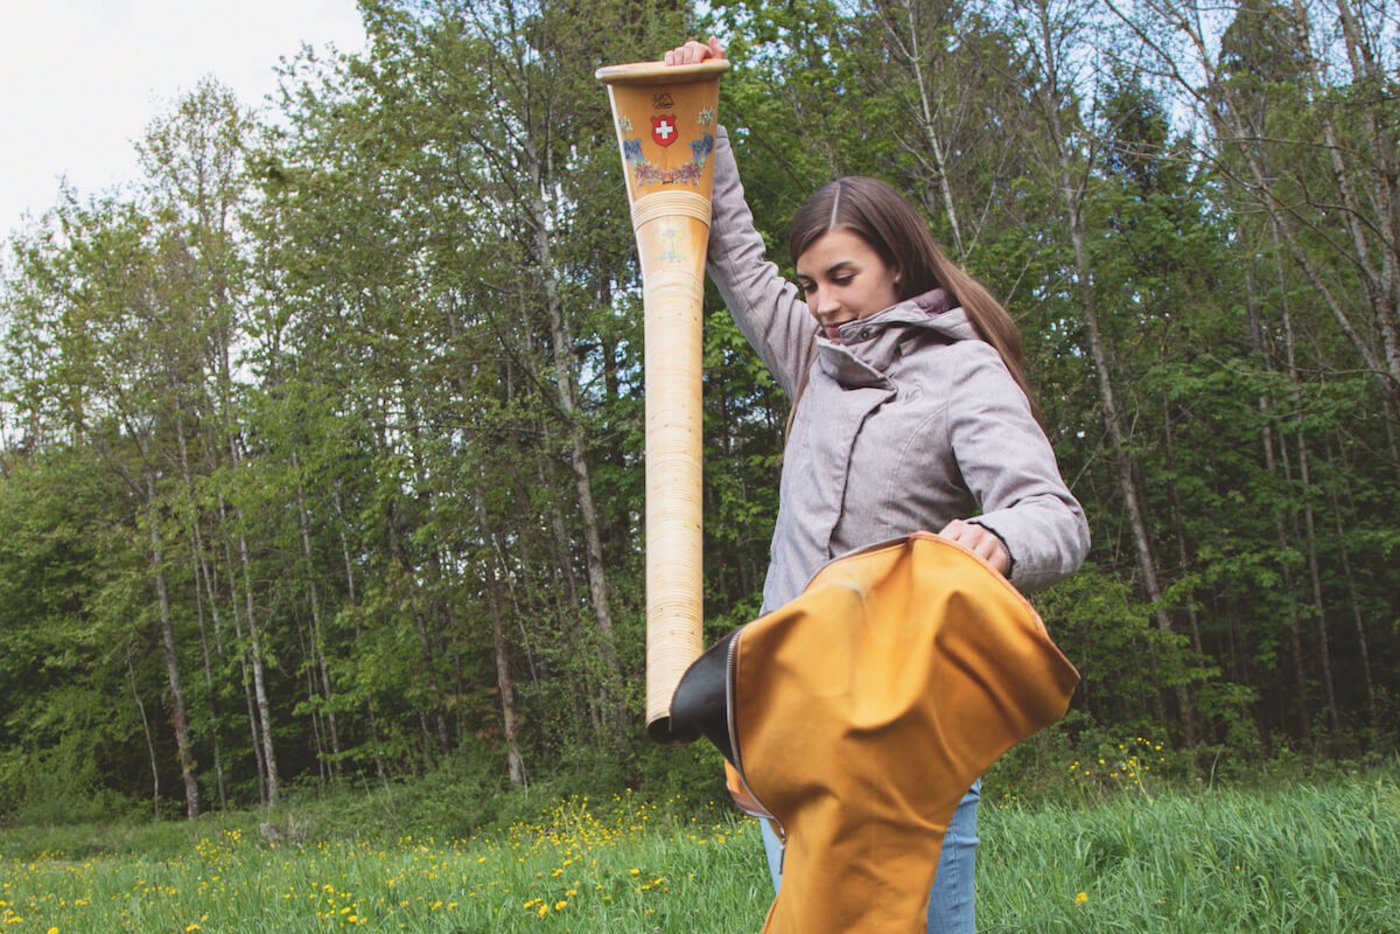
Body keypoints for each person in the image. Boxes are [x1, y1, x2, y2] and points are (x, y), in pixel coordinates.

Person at [664, 37, 1090, 933]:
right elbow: (735, 256)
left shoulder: (963, 374)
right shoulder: (815, 363)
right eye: (811, 282)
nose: (822, 303)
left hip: (902, 730)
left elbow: (1055, 515)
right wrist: (700, 114)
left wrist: (1001, 538)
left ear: (896, 263)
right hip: (792, 732)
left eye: (842, 277)